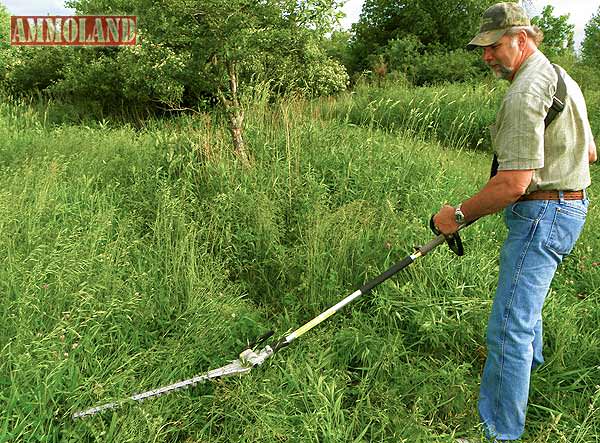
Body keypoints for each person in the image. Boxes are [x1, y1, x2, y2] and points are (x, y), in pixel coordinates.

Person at [432, 2, 597, 441]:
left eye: (493, 46)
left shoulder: (526, 92)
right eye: (482, 48)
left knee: (509, 324)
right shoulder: (562, 77)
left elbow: (512, 184)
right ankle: (530, 369)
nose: (486, 56)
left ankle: (499, 430)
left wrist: (457, 217)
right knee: (527, 306)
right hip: (571, 207)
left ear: (521, 39)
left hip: (543, 214)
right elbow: (591, 153)